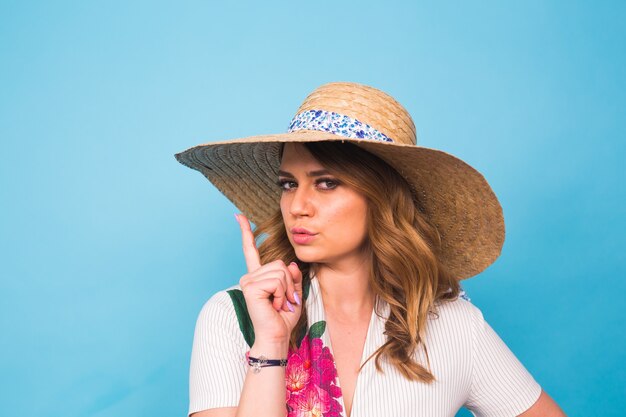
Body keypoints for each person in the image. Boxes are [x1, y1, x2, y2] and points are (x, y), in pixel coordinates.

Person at [175, 82, 566, 417]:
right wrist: (271, 346)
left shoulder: (453, 325)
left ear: (381, 198)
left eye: (326, 183)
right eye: (289, 184)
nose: (297, 206)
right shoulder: (234, 317)